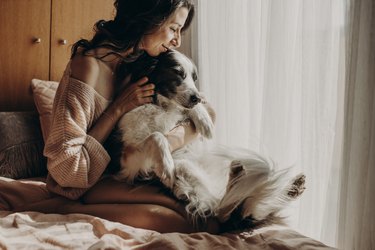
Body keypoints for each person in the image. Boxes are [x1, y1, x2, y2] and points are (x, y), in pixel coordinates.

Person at [0, 0, 219, 233]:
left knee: (203, 215)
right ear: (148, 18)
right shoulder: (87, 67)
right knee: (177, 220)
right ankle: (64, 208)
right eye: (174, 28)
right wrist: (116, 109)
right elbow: (66, 169)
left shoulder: (144, 62)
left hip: (124, 173)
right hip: (87, 183)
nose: (177, 41)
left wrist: (168, 141)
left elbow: (208, 115)